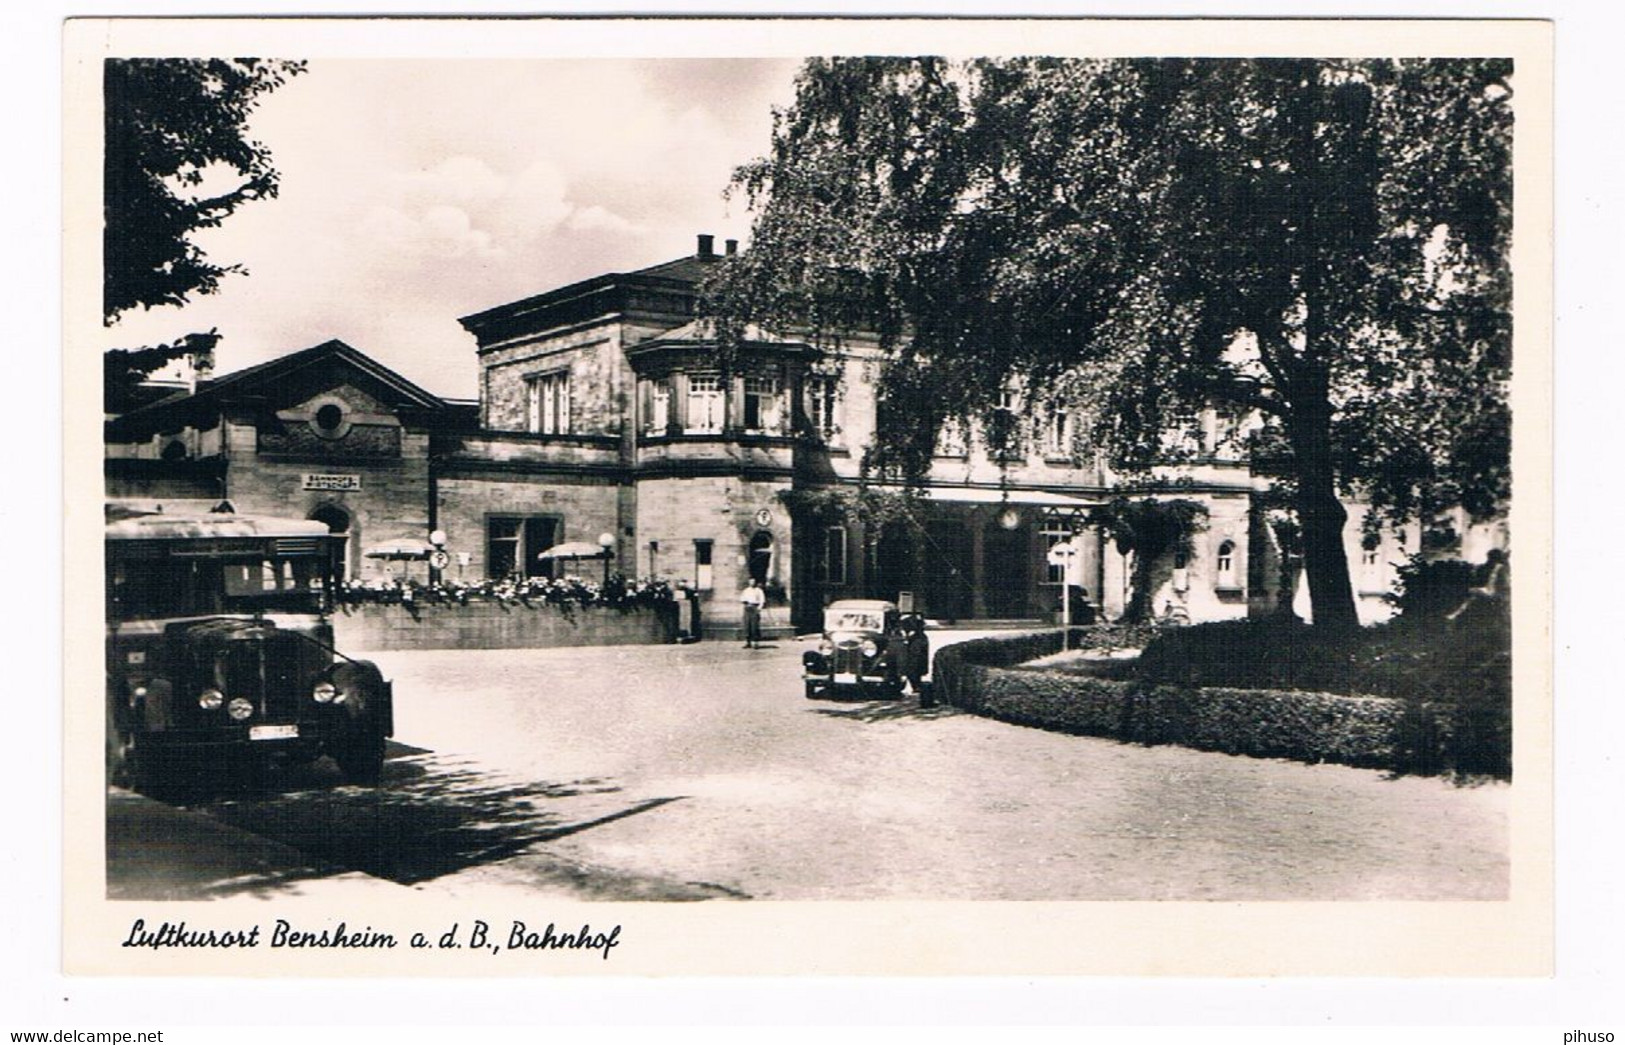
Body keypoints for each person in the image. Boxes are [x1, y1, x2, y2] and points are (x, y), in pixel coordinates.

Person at [740, 578, 766, 648]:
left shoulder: (759, 590)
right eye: (751, 581)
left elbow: (762, 600)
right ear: (749, 582)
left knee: (754, 625)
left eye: (753, 581)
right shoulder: (746, 590)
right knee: (747, 625)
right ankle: (748, 642)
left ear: (755, 582)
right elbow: (742, 599)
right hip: (748, 608)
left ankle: (755, 642)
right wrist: (745, 603)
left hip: (755, 607)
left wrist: (759, 608)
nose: (752, 583)